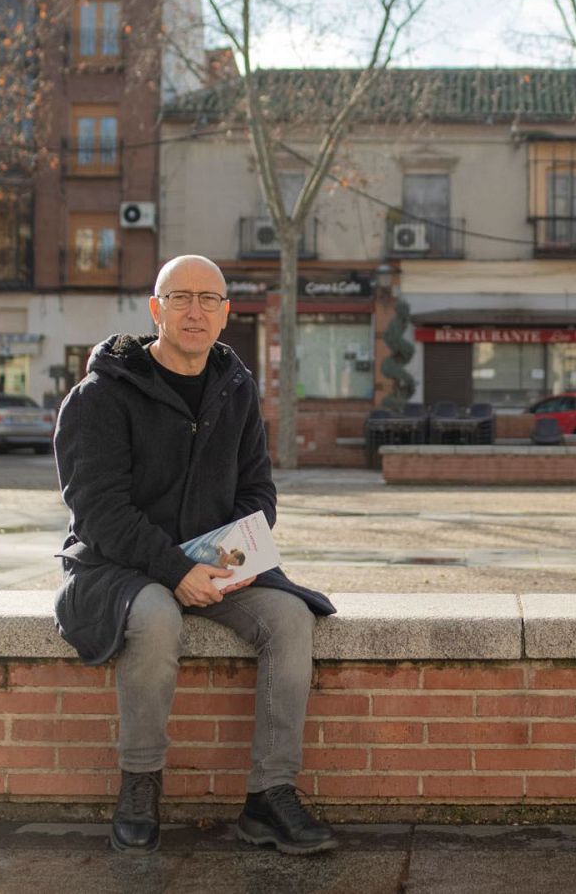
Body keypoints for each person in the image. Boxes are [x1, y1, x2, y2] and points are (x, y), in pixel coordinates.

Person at [53, 255, 338, 855]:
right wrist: (177, 570)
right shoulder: (101, 394)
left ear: (226, 313)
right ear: (155, 310)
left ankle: (269, 795)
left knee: (290, 618)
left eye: (209, 299)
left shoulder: (235, 388)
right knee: (156, 619)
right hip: (118, 568)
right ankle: (140, 782)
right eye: (180, 297)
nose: (195, 310)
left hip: (213, 564)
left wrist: (228, 558)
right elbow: (98, 511)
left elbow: (257, 492)